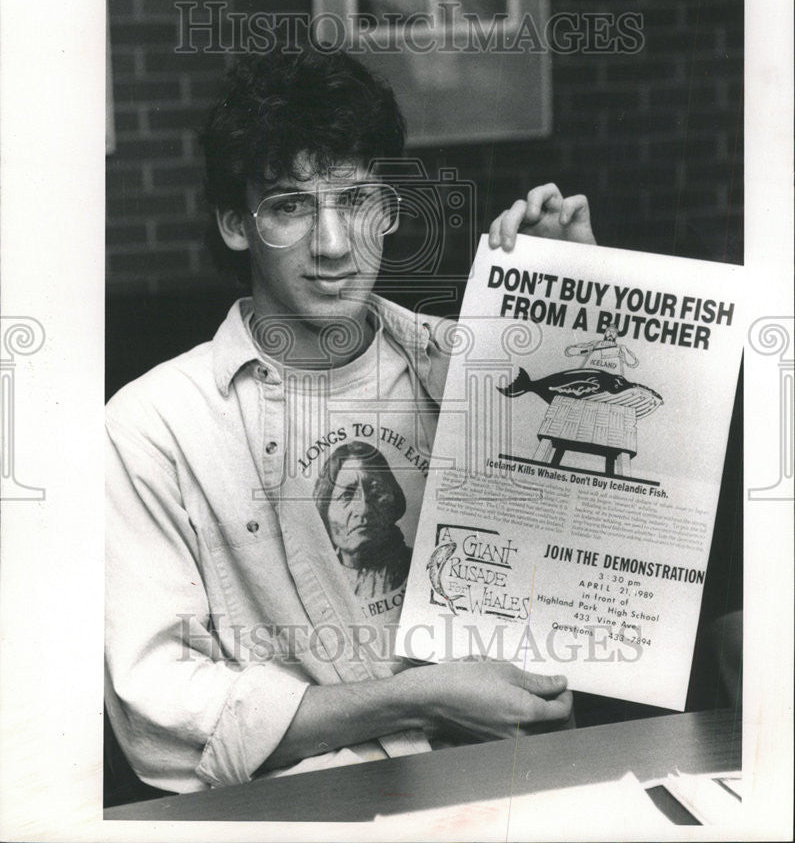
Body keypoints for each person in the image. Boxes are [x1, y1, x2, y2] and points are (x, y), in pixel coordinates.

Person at [105, 45, 596, 794]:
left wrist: (574, 304)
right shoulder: (153, 426)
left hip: (510, 782)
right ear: (237, 224)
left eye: (357, 199)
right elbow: (159, 714)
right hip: (298, 818)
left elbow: (595, 560)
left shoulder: (471, 366)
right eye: (291, 205)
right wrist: (415, 697)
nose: (333, 245)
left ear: (390, 209)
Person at [313, 441, 413, 599]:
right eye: (346, 495)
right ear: (325, 510)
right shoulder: (313, 579)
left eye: (376, 492)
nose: (363, 509)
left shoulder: (419, 566)